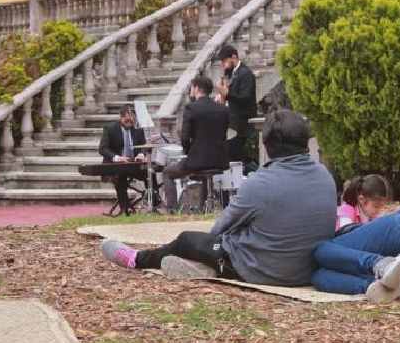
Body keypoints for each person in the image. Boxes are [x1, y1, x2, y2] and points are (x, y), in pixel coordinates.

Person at [101, 109, 336, 284]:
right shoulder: (326, 176)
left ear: (267, 145)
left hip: (263, 271)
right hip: (307, 270)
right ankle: (198, 266)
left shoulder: (260, 183)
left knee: (187, 240)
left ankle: (137, 259)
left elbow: (219, 228)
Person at [161, 75, 229, 210]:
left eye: (192, 87)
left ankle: (172, 210)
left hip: (198, 160)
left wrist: (187, 152)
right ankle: (202, 208)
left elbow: (185, 137)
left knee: (167, 173)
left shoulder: (191, 108)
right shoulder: (223, 109)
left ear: (196, 88)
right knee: (205, 175)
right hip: (220, 160)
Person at [98, 104, 154, 212]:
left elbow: (144, 146)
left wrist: (142, 154)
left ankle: (153, 202)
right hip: (116, 164)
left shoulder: (138, 129)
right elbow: (102, 149)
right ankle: (125, 209)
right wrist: (116, 157)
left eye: (132, 121)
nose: (130, 123)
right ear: (121, 117)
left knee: (150, 172)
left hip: (133, 164)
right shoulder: (110, 129)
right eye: (127, 120)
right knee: (120, 177)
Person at [213, 45, 257, 166]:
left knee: (238, 161)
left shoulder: (245, 73)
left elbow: (245, 98)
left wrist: (227, 94)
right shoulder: (232, 73)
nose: (223, 65)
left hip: (243, 127)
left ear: (233, 57)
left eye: (224, 61)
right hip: (233, 125)